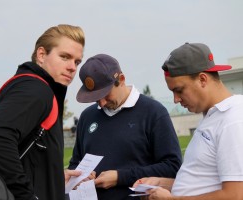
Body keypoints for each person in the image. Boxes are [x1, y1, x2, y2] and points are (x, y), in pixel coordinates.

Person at [0, 24, 85, 200]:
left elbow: (26, 154)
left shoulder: (29, 86)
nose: (73, 67)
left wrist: (53, 177)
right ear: (41, 55)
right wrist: (26, 196)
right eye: (65, 57)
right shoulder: (36, 89)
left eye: (77, 61)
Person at [134, 42, 243, 200]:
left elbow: (235, 195)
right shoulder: (213, 116)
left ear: (202, 79)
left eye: (179, 90)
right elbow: (203, 182)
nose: (176, 99)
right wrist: (163, 183)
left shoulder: (233, 120)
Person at [68, 54, 182, 200]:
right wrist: (79, 176)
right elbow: (75, 163)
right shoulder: (87, 116)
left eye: (105, 94)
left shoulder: (153, 112)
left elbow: (172, 166)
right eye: (96, 97)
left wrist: (120, 177)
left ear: (121, 80)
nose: (101, 103)